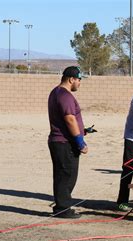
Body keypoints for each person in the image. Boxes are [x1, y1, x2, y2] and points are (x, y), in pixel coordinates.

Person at [48, 66, 88, 219]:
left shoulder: (55, 92)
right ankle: (63, 208)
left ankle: (61, 206)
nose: (79, 83)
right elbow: (69, 119)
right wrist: (80, 142)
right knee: (67, 175)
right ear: (71, 79)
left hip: (58, 141)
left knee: (62, 175)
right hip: (64, 143)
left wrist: (84, 130)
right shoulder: (65, 96)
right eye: (79, 80)